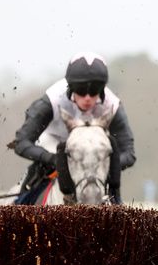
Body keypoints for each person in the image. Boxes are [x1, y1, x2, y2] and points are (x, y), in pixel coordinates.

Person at [12, 52, 136, 204]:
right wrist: (53, 159)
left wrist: (106, 164)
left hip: (94, 152)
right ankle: (20, 204)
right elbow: (21, 142)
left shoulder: (112, 104)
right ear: (70, 87)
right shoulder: (52, 100)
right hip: (53, 144)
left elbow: (129, 154)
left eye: (94, 90)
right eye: (81, 90)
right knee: (30, 187)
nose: (88, 97)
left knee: (113, 189)